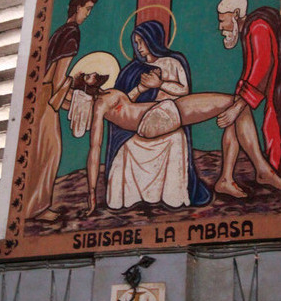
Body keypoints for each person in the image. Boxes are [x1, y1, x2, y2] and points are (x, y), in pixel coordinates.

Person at [81, 74, 242, 215]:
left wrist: (140, 88)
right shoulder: (100, 104)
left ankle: (228, 177)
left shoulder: (109, 94)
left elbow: (127, 107)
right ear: (85, 87)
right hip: (154, 118)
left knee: (235, 103)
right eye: (87, 76)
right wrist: (92, 192)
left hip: (156, 115)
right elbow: (95, 147)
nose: (93, 72)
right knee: (235, 102)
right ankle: (229, 178)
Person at [105, 20, 211, 210]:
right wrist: (141, 88)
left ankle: (172, 196)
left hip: (169, 122)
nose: (139, 47)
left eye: (142, 42)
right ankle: (130, 197)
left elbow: (184, 90)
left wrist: (159, 84)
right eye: (136, 43)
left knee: (176, 138)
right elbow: (122, 102)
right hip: (141, 125)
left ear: (152, 40)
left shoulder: (174, 62)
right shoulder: (132, 70)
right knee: (127, 146)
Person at [25, 0, 98, 221]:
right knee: (50, 150)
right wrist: (72, 100)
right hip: (47, 95)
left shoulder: (59, 31)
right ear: (77, 7)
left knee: (41, 150)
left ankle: (34, 207)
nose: (88, 14)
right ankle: (37, 208)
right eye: (87, 9)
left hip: (41, 95)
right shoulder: (72, 33)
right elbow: (58, 78)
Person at [214, 0, 281, 198]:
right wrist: (238, 103)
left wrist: (238, 105)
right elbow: (251, 73)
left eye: (222, 20)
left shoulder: (258, 27)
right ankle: (228, 178)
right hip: (271, 89)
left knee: (265, 125)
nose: (220, 27)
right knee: (236, 111)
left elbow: (262, 66)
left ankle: (259, 171)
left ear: (235, 14)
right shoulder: (251, 29)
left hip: (279, 93)